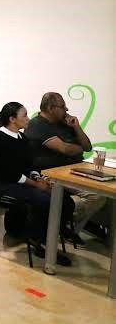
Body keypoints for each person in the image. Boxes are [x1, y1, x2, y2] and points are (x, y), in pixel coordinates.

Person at [0, 102, 74, 266]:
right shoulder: (0, 138)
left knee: (64, 199)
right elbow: (7, 172)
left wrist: (37, 177)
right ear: (12, 119)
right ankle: (40, 241)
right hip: (5, 185)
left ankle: (48, 235)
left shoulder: (21, 137)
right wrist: (35, 185)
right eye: (24, 115)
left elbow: (30, 164)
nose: (28, 119)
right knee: (47, 200)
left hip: (22, 182)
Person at [25, 92, 107, 244]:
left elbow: (87, 146)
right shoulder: (37, 124)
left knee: (105, 192)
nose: (66, 109)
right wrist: (79, 148)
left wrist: (77, 127)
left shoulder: (65, 124)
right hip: (51, 173)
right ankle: (66, 222)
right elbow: (64, 149)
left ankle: (72, 222)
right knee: (96, 195)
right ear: (50, 108)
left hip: (74, 169)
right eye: (62, 107)